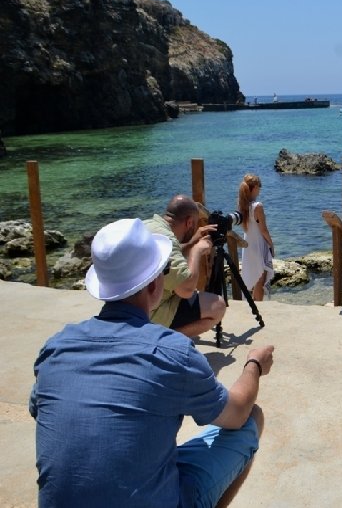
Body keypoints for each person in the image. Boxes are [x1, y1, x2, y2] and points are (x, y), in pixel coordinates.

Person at [30, 218, 275, 508]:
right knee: (251, 418)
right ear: (155, 283)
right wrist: (254, 365)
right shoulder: (172, 351)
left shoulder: (56, 347)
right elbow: (235, 413)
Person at [144, 195, 227, 337]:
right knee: (218, 306)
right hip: (150, 313)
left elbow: (168, 254)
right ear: (189, 222)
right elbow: (186, 290)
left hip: (135, 304)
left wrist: (191, 243)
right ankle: (158, 338)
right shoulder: (167, 240)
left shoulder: (149, 225)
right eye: (194, 225)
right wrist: (196, 251)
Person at [238, 174, 274, 301]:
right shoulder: (257, 206)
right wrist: (271, 244)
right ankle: (258, 306)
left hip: (248, 244)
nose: (260, 190)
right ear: (254, 188)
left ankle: (253, 304)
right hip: (258, 244)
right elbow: (263, 229)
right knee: (260, 277)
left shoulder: (243, 205)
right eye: (259, 187)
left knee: (254, 276)